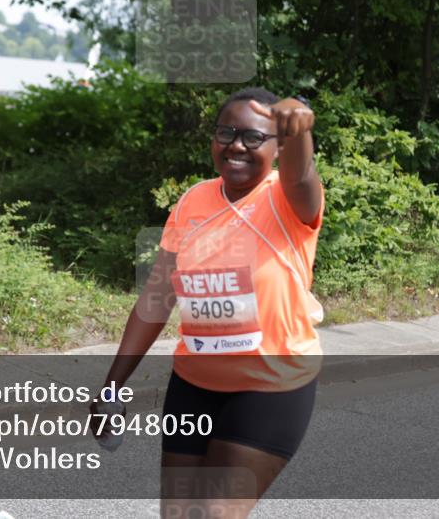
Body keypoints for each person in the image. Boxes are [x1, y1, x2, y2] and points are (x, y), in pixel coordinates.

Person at [93, 87, 324, 518]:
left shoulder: (284, 199)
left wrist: (298, 127)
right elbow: (157, 298)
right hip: (194, 384)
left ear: (278, 147)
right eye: (226, 133)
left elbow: (301, 176)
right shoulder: (192, 201)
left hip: (270, 385)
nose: (237, 145)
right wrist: (113, 384)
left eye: (254, 137)